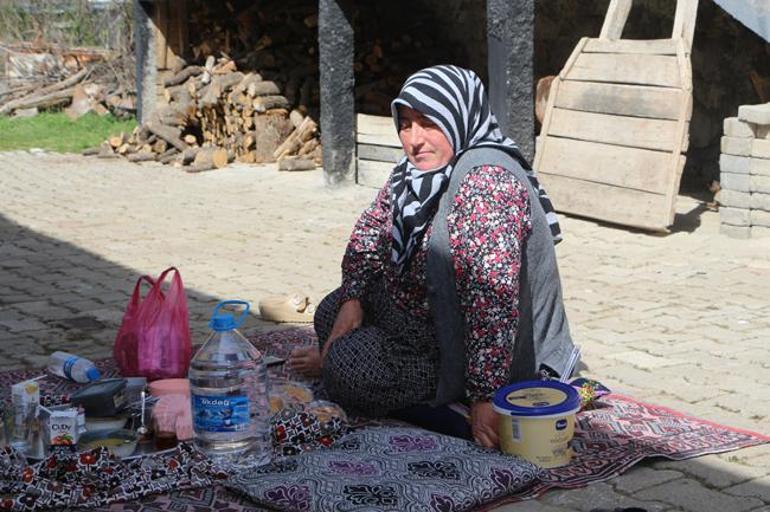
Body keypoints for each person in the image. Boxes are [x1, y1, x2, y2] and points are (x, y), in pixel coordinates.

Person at [289, 65, 576, 448]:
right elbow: (368, 234)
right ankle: (362, 350)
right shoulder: (415, 173)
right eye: (406, 124)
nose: (414, 140)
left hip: (473, 342)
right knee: (331, 310)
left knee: (349, 371)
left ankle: (451, 400)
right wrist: (354, 296)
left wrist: (486, 395)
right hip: (430, 314)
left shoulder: (485, 182)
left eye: (428, 123)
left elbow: (491, 300)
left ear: (458, 116)